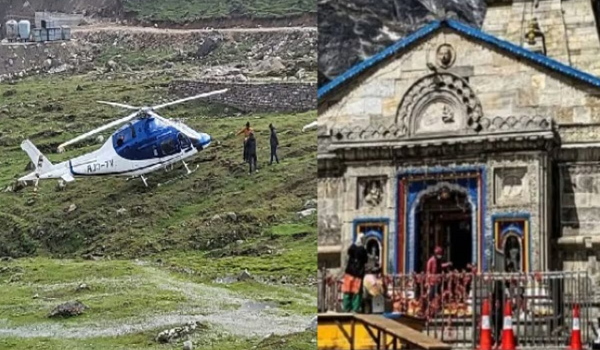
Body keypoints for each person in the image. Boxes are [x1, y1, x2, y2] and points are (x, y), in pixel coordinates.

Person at [342, 234, 368, 313]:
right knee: (356, 292)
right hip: (358, 274)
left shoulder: (352, 248)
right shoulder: (363, 250)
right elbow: (365, 260)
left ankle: (346, 308)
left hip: (349, 273)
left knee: (347, 291)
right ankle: (355, 308)